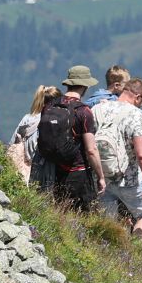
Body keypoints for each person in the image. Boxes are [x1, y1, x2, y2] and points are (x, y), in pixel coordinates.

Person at [93, 77, 142, 240]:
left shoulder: (98, 109)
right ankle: (133, 254)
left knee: (107, 223)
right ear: (138, 97)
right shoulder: (138, 116)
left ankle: (106, 255)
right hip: (128, 179)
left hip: (101, 177)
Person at [40, 66, 105, 211]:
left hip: (55, 169)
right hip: (78, 171)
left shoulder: (51, 104)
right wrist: (100, 177)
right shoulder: (83, 111)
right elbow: (91, 149)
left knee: (61, 212)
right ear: (85, 85)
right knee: (88, 217)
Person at [10, 85, 60, 188]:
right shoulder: (55, 121)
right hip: (46, 172)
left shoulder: (27, 119)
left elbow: (13, 143)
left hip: (25, 169)